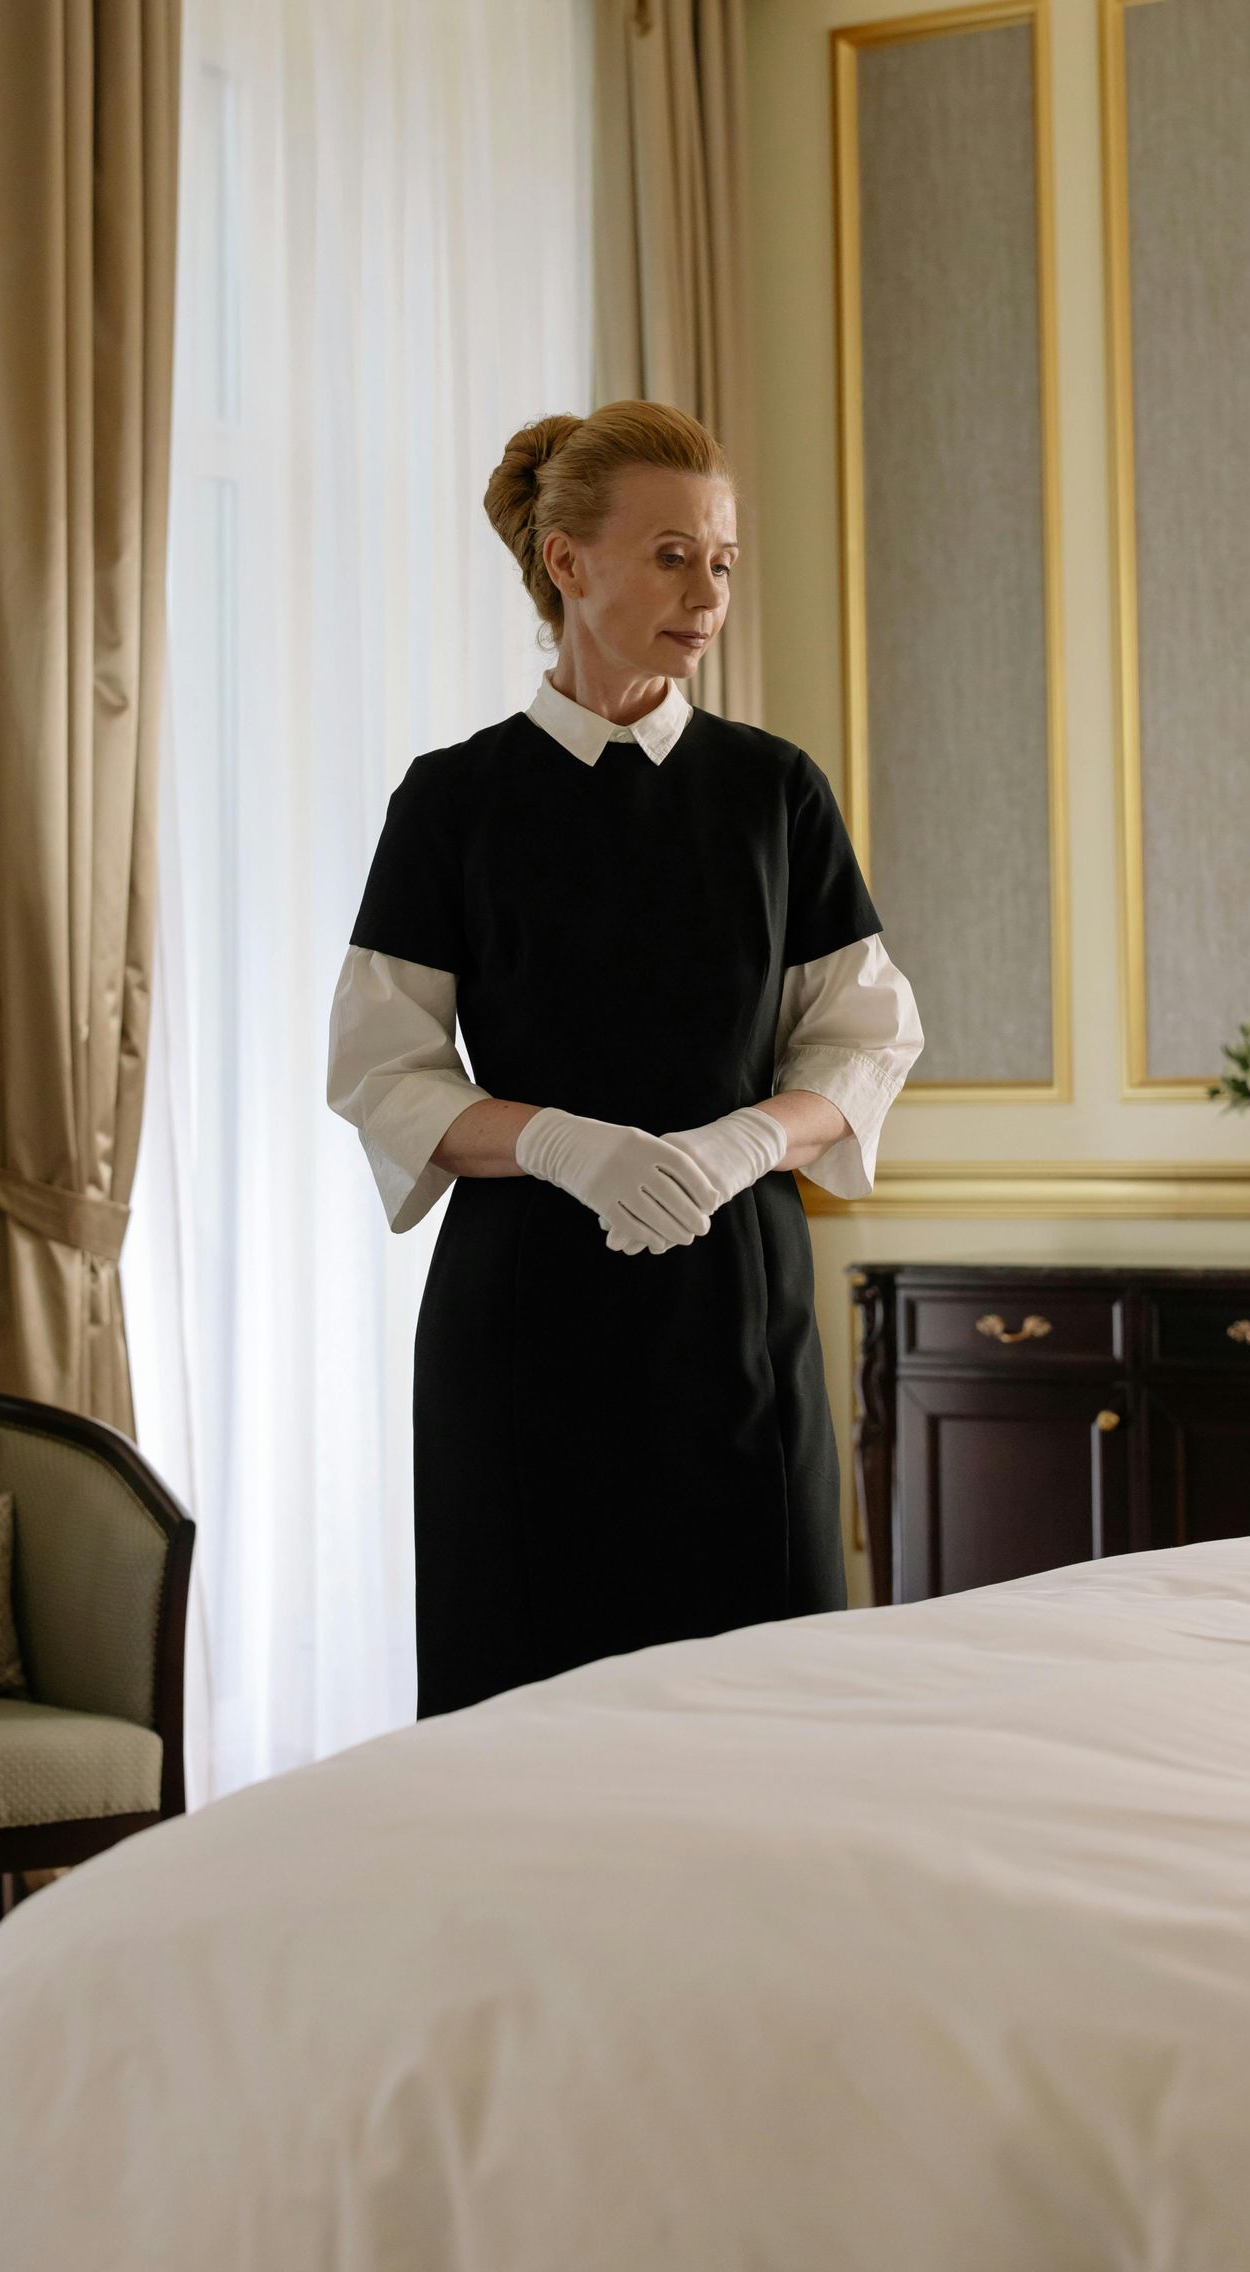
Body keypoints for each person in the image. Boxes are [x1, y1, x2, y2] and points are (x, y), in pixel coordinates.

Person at [327, 400, 922, 1717]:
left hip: (738, 1323)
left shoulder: (776, 794)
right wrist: (556, 1141)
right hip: (525, 1325)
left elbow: (868, 1038)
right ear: (565, 562)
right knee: (522, 1706)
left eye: (720, 560)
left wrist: (749, 1138)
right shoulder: (454, 804)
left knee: (760, 1702)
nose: (704, 590)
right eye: (669, 554)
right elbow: (381, 1069)